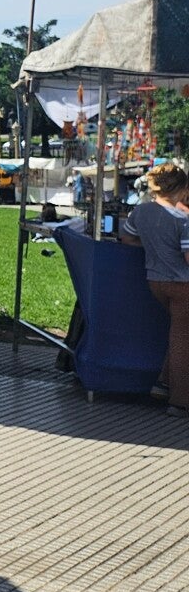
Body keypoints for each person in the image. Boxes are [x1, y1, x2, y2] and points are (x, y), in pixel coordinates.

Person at [121, 161, 189, 416]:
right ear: (181, 188)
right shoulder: (183, 220)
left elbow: (127, 238)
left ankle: (163, 384)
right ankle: (180, 401)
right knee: (182, 340)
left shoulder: (141, 212)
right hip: (182, 284)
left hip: (156, 281)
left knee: (179, 333)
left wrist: (153, 249)